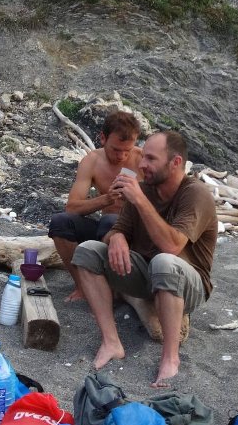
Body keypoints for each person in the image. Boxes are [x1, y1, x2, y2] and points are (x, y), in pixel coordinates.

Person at [71, 131, 217, 388]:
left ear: (175, 162)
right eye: (143, 157)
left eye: (151, 158)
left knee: (164, 262)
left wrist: (139, 200)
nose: (141, 164)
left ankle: (170, 358)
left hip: (189, 284)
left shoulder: (195, 194)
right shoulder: (145, 189)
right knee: (87, 251)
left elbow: (172, 245)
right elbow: (119, 229)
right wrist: (116, 237)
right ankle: (111, 341)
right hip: (147, 274)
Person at [48, 111, 143, 302]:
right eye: (116, 150)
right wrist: (105, 199)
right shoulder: (92, 161)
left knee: (111, 221)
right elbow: (72, 208)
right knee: (60, 222)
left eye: (127, 150)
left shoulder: (143, 160)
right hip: (105, 230)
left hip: (137, 233)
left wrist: (137, 197)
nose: (122, 156)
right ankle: (84, 287)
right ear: (102, 138)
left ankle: (114, 287)